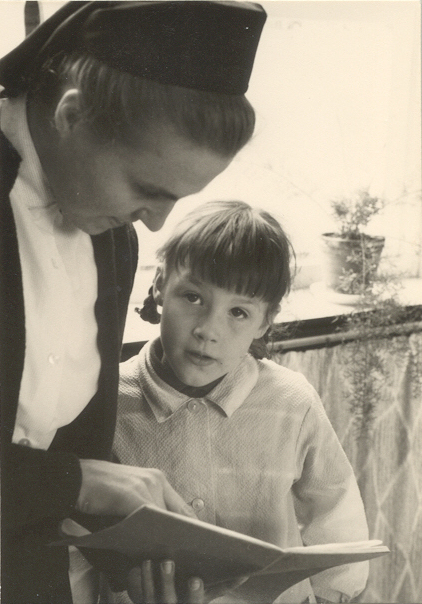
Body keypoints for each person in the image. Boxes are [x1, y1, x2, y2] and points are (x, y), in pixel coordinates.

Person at [0, 3, 267, 603]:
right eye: (147, 189)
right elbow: (68, 476)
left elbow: (68, 453)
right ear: (71, 114)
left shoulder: (111, 236)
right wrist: (74, 484)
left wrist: (145, 559)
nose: (155, 224)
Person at [113, 200, 370, 604]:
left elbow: (335, 510)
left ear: (266, 321)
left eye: (238, 311)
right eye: (193, 297)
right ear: (160, 286)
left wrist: (336, 594)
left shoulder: (292, 401)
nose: (208, 331)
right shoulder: (109, 403)